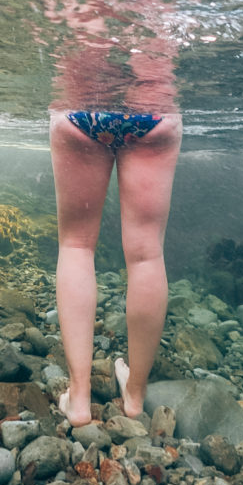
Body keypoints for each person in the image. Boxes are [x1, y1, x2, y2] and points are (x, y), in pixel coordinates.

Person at [51, 110, 182, 427]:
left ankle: (79, 398)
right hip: (152, 117)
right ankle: (134, 395)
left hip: (80, 116)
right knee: (146, 256)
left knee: (77, 246)